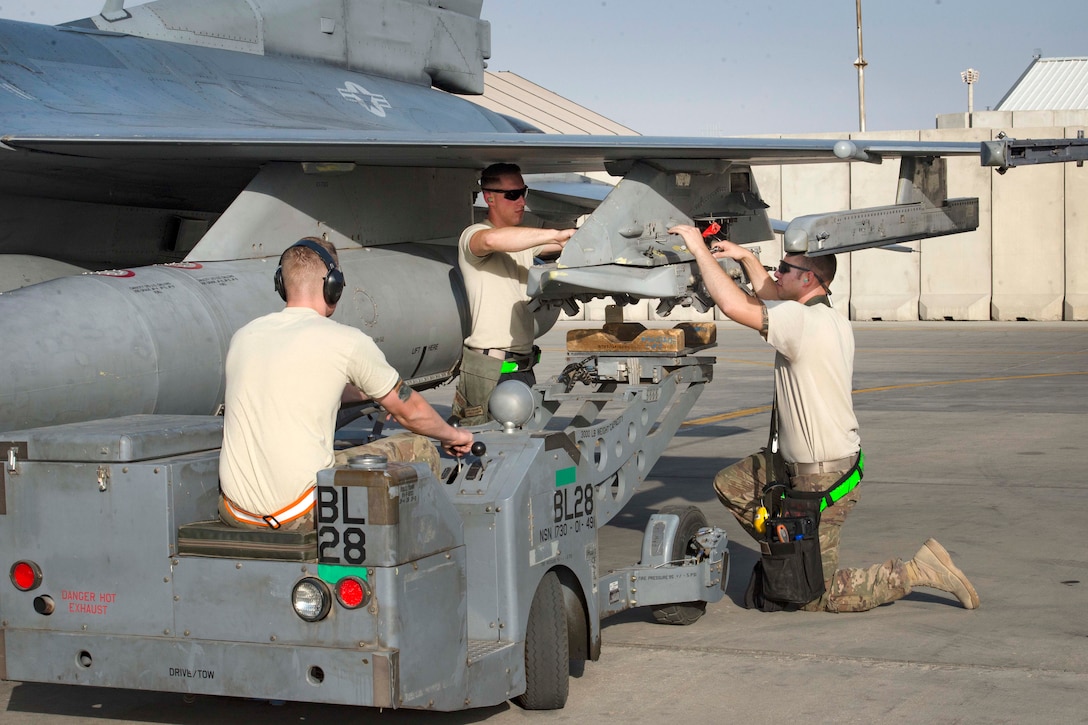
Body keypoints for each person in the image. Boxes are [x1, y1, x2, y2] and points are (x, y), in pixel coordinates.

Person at [670, 224, 979, 612]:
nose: (777, 273)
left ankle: (918, 571)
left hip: (822, 480)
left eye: (784, 268)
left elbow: (736, 306)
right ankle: (791, 547)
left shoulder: (803, 323)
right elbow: (771, 293)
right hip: (802, 466)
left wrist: (699, 250)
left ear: (809, 279)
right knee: (732, 484)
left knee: (816, 594)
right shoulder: (821, 315)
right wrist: (746, 257)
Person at [219, 237, 474, 531]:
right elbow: (411, 411)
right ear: (333, 285)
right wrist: (451, 435)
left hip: (236, 512)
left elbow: (306, 383)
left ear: (282, 283)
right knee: (419, 447)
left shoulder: (245, 336)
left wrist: (376, 393)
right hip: (298, 512)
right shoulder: (346, 341)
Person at [452, 163, 576, 425]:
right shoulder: (473, 236)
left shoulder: (520, 243)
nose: (521, 201)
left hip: (521, 368)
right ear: (489, 197)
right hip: (489, 370)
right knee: (484, 452)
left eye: (523, 192)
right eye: (512, 195)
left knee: (521, 453)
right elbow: (490, 241)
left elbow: (556, 243)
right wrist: (555, 233)